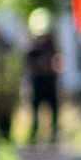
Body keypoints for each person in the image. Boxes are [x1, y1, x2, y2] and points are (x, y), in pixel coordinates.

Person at [24, 8, 60, 145]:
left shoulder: (50, 44)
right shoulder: (32, 47)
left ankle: (54, 134)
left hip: (49, 79)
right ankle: (34, 134)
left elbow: (55, 60)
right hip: (37, 80)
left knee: (53, 107)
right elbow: (29, 62)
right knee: (36, 108)